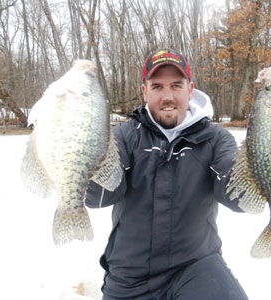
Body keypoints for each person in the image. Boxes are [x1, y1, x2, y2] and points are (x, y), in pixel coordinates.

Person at [85, 48, 248, 300]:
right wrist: (85, 155)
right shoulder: (124, 136)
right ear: (144, 91)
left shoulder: (216, 139)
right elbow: (99, 198)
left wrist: (266, 171)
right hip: (130, 272)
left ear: (190, 89)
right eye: (158, 87)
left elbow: (239, 199)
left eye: (176, 85)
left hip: (196, 265)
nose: (167, 96)